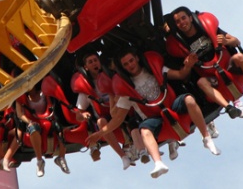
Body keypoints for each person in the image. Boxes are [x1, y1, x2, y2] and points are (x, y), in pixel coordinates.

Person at [86, 47, 220, 179]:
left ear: (137, 59)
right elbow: (118, 118)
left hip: (172, 107)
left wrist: (188, 66)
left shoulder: (154, 70)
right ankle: (158, 163)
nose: (130, 65)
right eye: (126, 64)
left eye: (131, 61)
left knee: (189, 100)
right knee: (144, 130)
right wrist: (101, 133)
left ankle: (206, 138)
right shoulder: (126, 88)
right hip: (155, 119)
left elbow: (181, 75)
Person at [168, 6, 243, 108]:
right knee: (201, 82)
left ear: (190, 18)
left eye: (183, 18)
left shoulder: (206, 27)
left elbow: (236, 41)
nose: (182, 22)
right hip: (214, 80)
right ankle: (229, 108)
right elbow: (184, 76)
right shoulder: (179, 45)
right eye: (178, 21)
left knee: (239, 57)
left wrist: (226, 41)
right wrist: (188, 65)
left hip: (230, 69)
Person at [72, 52, 132, 169]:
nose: (94, 63)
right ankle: (123, 156)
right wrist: (83, 115)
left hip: (122, 108)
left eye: (95, 60)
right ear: (86, 67)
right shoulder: (87, 88)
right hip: (106, 116)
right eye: (90, 62)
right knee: (100, 122)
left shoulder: (111, 76)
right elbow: (78, 116)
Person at [16, 82, 70, 177]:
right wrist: (29, 121)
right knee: (33, 128)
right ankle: (40, 161)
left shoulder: (43, 93)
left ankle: (61, 157)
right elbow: (20, 114)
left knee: (60, 129)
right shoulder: (22, 98)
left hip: (48, 120)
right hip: (33, 122)